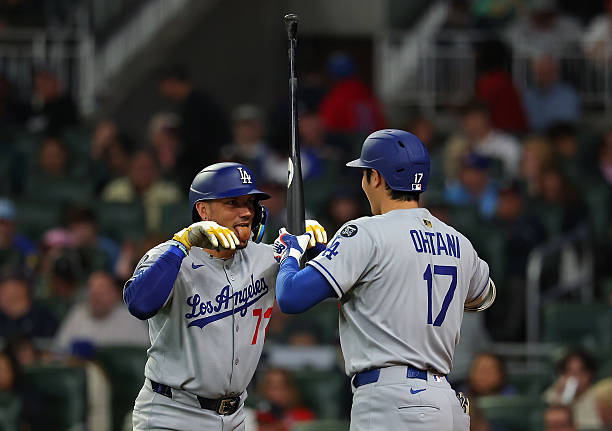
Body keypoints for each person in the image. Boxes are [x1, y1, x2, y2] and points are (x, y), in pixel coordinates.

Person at [272, 129, 496, 431]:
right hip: (445, 399)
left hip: (391, 400)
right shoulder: (458, 241)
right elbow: (485, 296)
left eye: (364, 174)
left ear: (375, 177)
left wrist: (292, 253)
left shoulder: (366, 231)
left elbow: (290, 297)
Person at [123, 162, 326, 431]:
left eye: (251, 204)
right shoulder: (170, 256)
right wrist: (181, 243)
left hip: (234, 417)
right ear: (203, 210)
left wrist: (315, 248)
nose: (246, 213)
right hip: (171, 413)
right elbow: (139, 304)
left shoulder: (265, 257)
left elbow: (322, 288)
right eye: (233, 203)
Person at [52, 271, 149, 357]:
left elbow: (144, 355)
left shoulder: (131, 317)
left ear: (115, 294)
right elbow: (58, 350)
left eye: (101, 293)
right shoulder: (78, 313)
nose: (96, 298)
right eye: (93, 293)